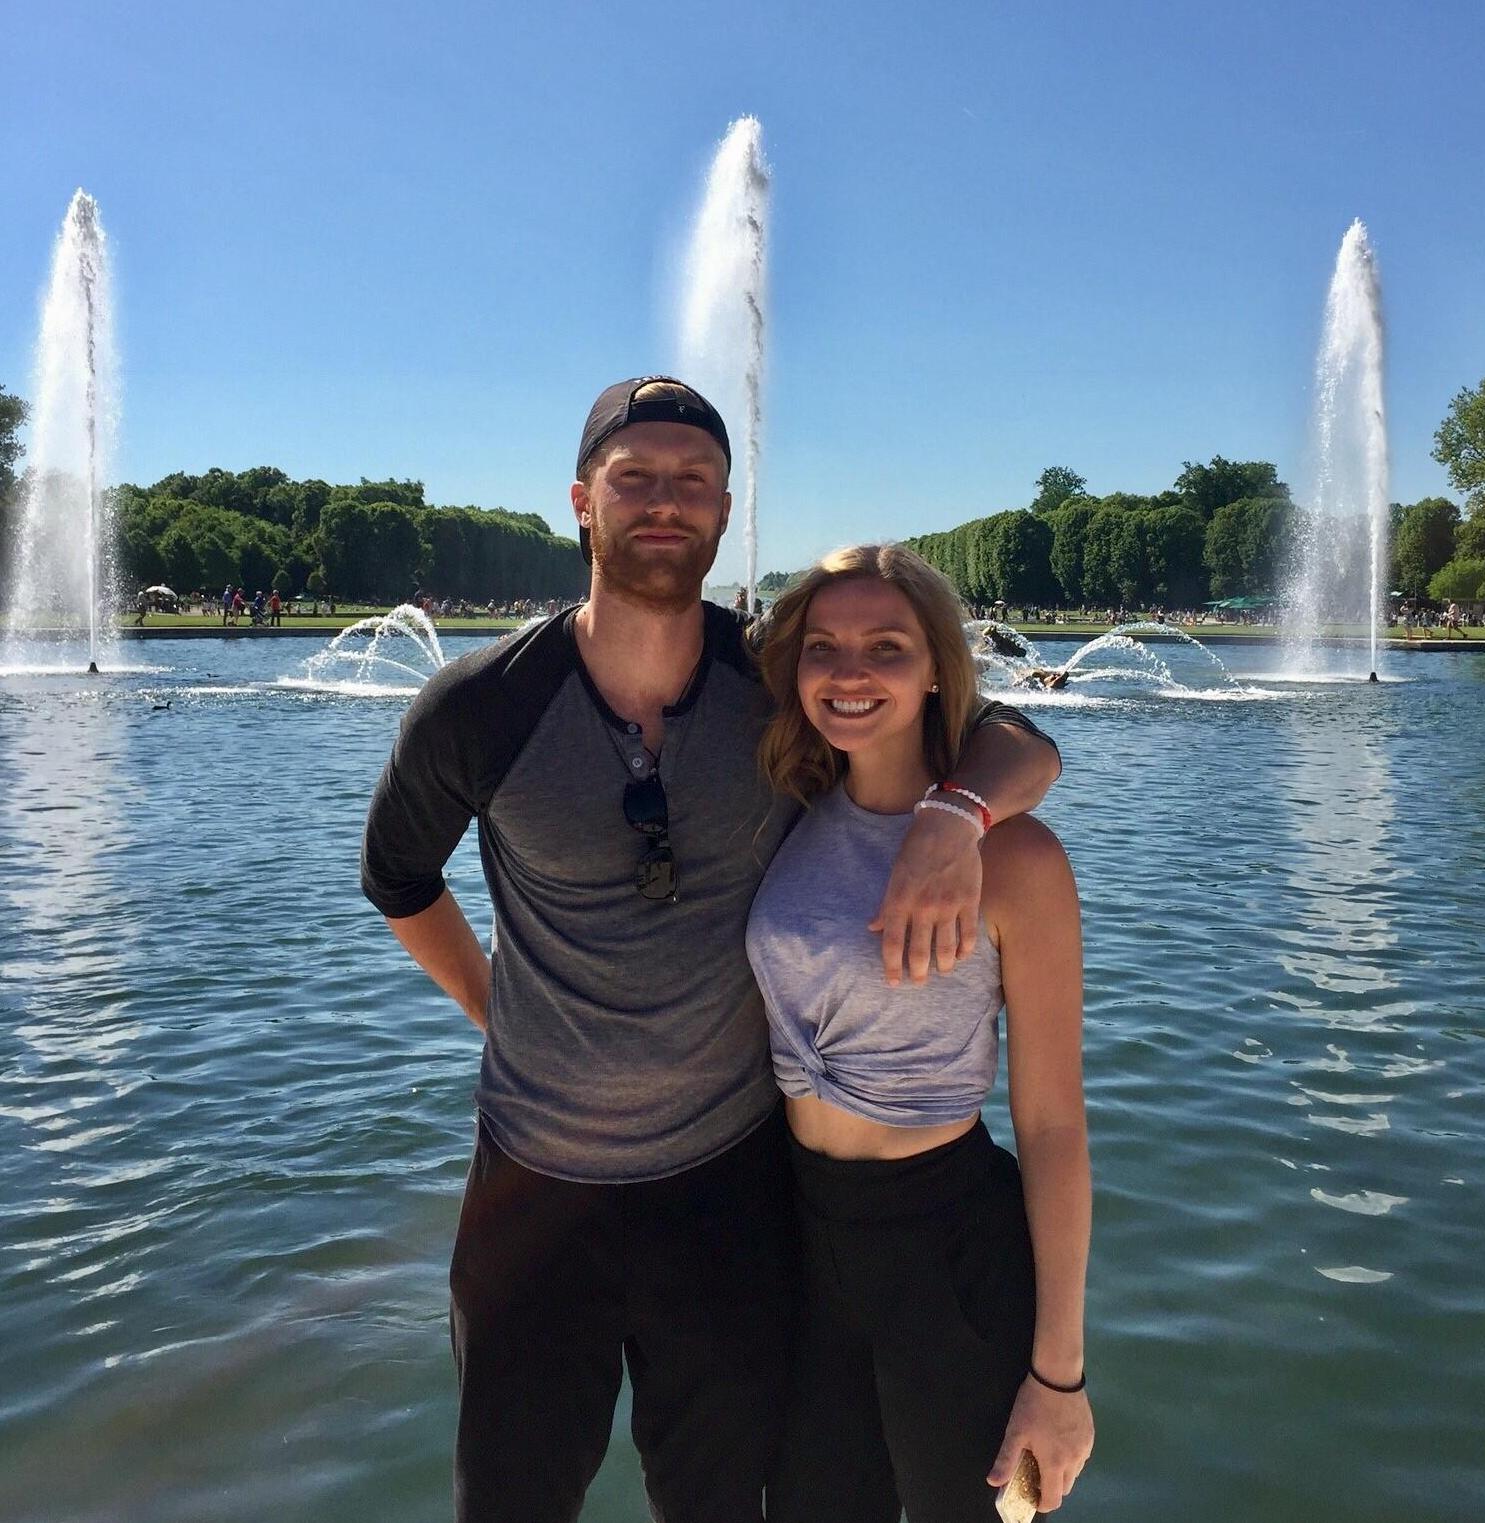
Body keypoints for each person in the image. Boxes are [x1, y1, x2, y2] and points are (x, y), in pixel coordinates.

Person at [360, 376, 1062, 1523]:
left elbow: (1012, 735)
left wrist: (952, 816)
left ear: (726, 510)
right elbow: (393, 878)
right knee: (510, 1499)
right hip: (536, 1188)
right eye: (634, 478)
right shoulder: (478, 707)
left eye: (692, 481)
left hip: (730, 1189)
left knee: (719, 1501)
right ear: (580, 500)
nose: (663, 502)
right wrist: (501, 1009)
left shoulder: (776, 687)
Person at [747, 544, 1093, 1522]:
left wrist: (1059, 1376)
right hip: (801, 1239)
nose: (848, 672)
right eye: (822, 646)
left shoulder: (1016, 857)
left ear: (939, 666)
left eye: (884, 646)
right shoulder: (786, 809)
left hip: (947, 1255)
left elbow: (1054, 1121)